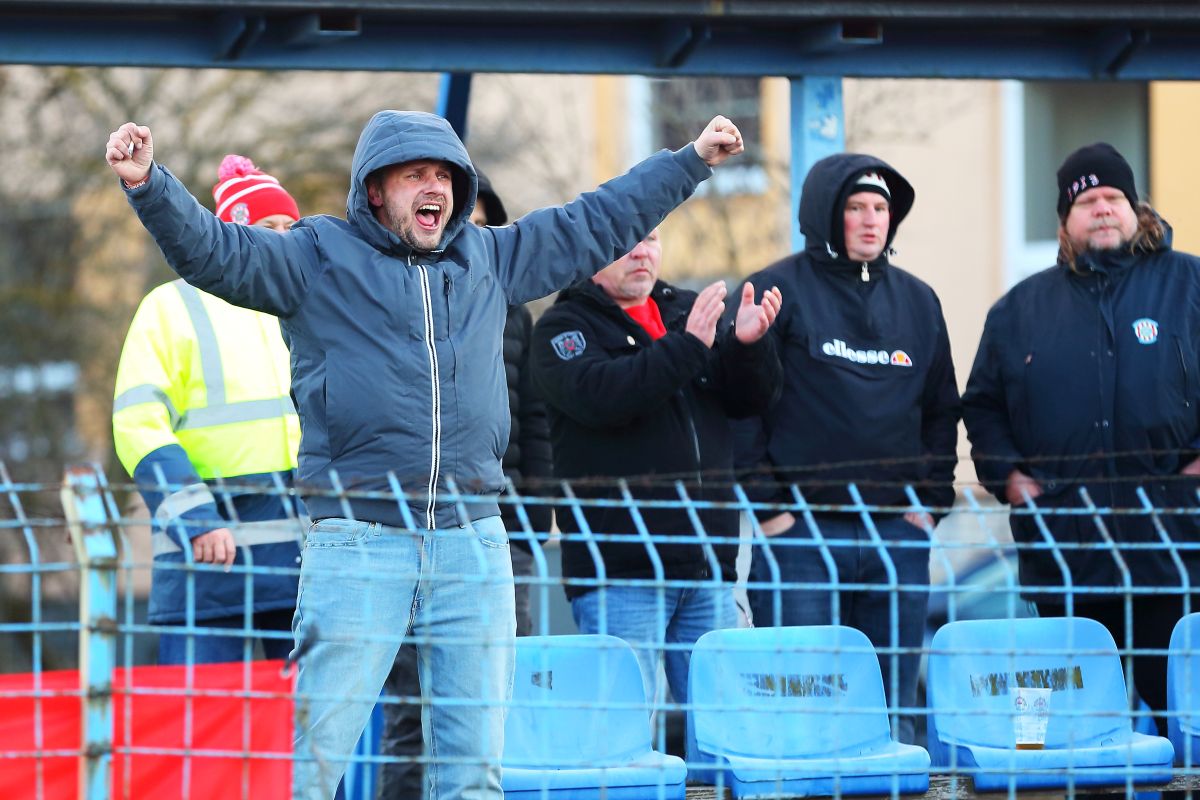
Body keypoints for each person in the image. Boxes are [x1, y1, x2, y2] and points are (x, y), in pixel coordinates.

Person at [105, 110, 743, 800]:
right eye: (415, 175)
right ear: (376, 190)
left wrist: (690, 161)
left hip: (473, 543)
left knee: (473, 773)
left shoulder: (490, 257)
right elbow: (215, 251)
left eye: (444, 174)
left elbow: (596, 219)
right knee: (312, 757)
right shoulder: (316, 255)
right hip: (359, 541)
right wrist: (148, 184)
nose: (434, 186)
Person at [963, 142, 1200, 738]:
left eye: (1113, 197)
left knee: (1188, 726)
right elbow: (982, 406)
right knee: (1068, 736)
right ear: (1065, 219)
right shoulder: (1020, 310)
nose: (1102, 209)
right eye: (1086, 200)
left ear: (1135, 209)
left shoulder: (1189, 284)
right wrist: (1010, 479)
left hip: (1176, 555)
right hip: (1066, 559)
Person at [529, 226, 782, 763]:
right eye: (626, 242)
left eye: (650, 239)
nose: (641, 252)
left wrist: (748, 346)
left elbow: (748, 400)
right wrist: (688, 345)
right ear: (593, 251)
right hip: (622, 572)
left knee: (724, 737)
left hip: (707, 566)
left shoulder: (683, 309)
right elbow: (606, 397)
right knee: (622, 744)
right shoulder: (562, 328)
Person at [733, 154, 961, 744]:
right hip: (801, 537)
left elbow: (942, 410)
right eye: (856, 207)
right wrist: (770, 511)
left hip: (896, 536)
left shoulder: (919, 301)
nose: (870, 220)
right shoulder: (774, 290)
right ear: (826, 214)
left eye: (880, 208)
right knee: (803, 713)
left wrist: (930, 506)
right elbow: (738, 403)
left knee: (890, 715)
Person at [375, 169, 553, 798]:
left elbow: (534, 417)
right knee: (410, 711)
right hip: (409, 529)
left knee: (490, 709)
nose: (469, 237)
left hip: (498, 535)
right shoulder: (395, 299)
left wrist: (532, 520)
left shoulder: (513, 311)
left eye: (482, 227)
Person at [112, 154, 303, 666]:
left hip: (303, 566)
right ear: (233, 231)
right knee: (201, 715)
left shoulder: (305, 306)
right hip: (208, 556)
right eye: (268, 226)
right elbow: (137, 425)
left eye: (291, 227)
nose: (284, 239)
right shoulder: (170, 308)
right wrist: (194, 518)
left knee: (314, 715)